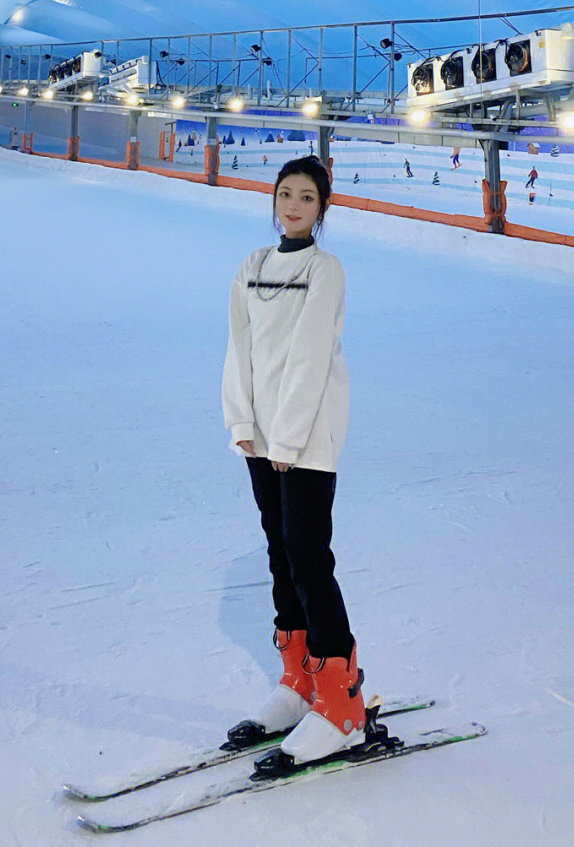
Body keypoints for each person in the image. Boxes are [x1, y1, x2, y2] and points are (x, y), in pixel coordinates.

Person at [221, 155, 365, 768]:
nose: (293, 205)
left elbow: (309, 358)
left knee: (309, 557)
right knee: (279, 552)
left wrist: (286, 441)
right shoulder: (252, 266)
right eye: (285, 194)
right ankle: (298, 680)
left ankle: (341, 703)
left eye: (307, 197)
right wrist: (243, 425)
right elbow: (239, 348)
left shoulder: (324, 270)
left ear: (322, 209)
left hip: (306, 437)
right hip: (264, 437)